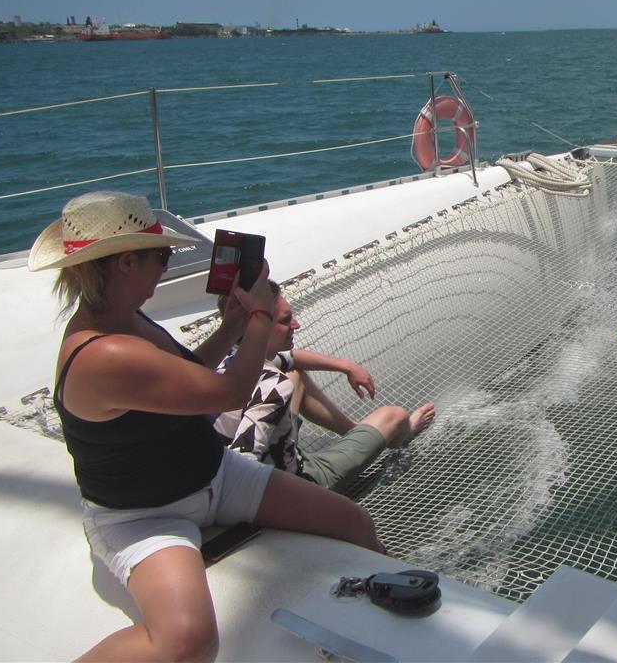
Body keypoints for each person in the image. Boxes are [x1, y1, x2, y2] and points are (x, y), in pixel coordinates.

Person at [29, 191, 387, 661]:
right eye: (160, 256)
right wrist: (259, 315)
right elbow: (229, 393)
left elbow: (187, 378)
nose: (165, 266)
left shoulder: (125, 319)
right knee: (188, 641)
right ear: (126, 263)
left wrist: (230, 328)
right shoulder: (104, 353)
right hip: (145, 517)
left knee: (353, 522)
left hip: (215, 474)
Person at [214, 280, 436, 490]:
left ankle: (357, 433)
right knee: (395, 415)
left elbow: (293, 358)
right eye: (285, 320)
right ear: (258, 327)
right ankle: (400, 433)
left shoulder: (229, 360)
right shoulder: (273, 387)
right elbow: (241, 465)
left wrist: (347, 366)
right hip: (300, 482)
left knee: (294, 374)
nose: (296, 324)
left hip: (278, 455)